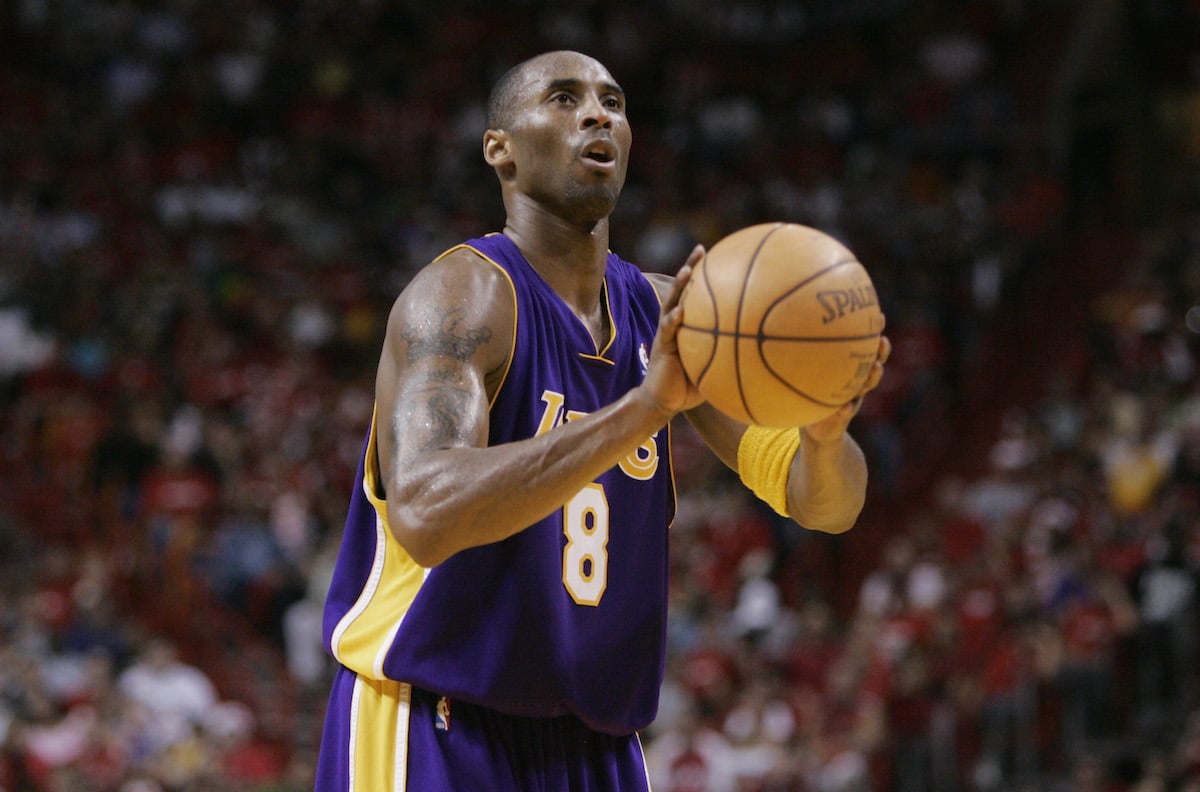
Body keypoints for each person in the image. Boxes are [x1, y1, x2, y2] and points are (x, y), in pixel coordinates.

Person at [315, 50, 890, 791]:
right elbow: (425, 511)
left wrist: (823, 431)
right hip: (436, 720)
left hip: (595, 746)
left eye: (613, 102)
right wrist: (644, 409)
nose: (598, 113)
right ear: (501, 149)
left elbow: (826, 505)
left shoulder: (674, 319)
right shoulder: (463, 297)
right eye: (563, 98)